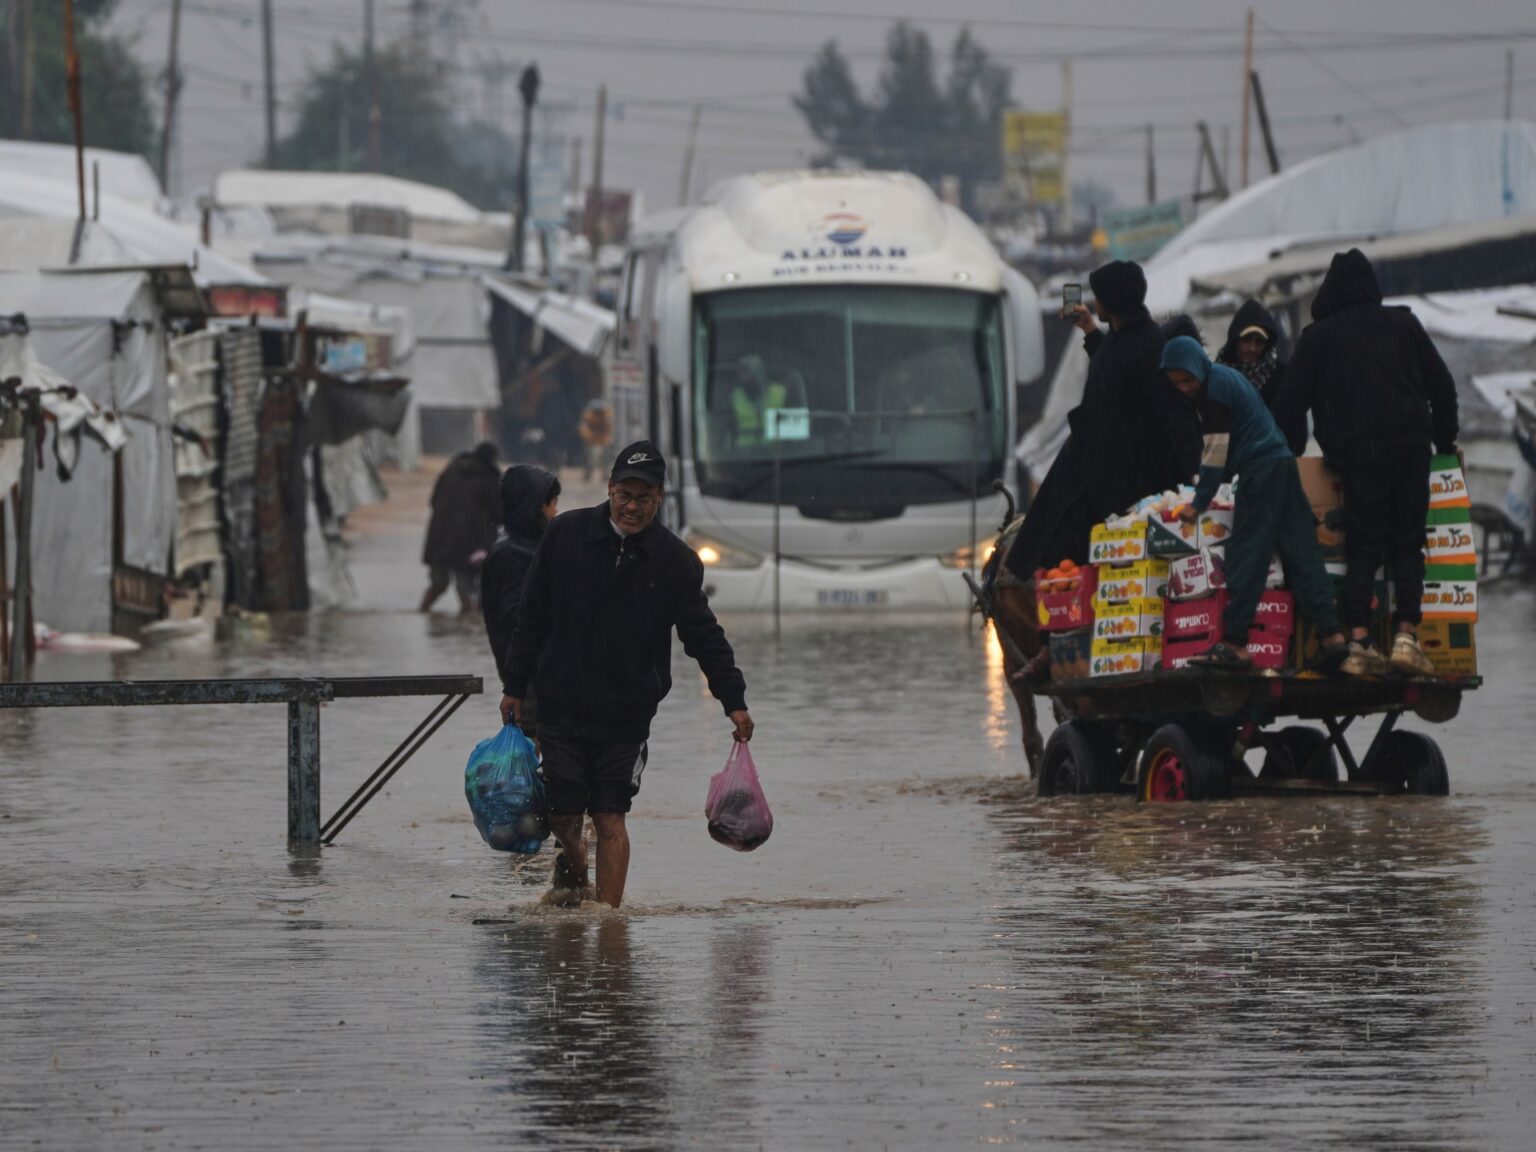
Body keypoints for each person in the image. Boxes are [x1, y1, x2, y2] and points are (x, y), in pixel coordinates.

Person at [501, 440, 753, 909]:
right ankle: (575, 865)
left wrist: (733, 700)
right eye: (625, 495)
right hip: (561, 706)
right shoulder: (565, 535)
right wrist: (514, 688)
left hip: (626, 716)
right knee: (563, 814)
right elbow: (530, 618)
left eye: (644, 498)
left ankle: (608, 923)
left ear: (659, 499)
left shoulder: (675, 561)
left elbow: (704, 636)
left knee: (610, 816)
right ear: (609, 489)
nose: (632, 507)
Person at [1003, 260, 1201, 677]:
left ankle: (1059, 647)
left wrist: (1194, 479)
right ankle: (1054, 642)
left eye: (1099, 297)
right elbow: (1114, 366)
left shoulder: (1150, 345)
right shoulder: (1122, 338)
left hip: (1123, 480)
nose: (1094, 303)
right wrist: (1090, 331)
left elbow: (1175, 416)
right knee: (1049, 545)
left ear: (1115, 299)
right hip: (1091, 466)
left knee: (1067, 545)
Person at [1276, 248, 1459, 676]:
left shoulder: (1318, 338)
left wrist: (1295, 450)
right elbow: (1442, 386)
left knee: (1364, 544)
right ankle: (1406, 638)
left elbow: (1289, 405)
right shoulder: (1404, 323)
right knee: (1408, 542)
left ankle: (1359, 640)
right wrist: (1444, 440)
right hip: (1412, 446)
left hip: (1359, 453)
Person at [1160, 336, 1349, 672]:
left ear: (1198, 367)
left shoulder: (1215, 389)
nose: (1185, 388)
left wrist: (1199, 502)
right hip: (1281, 462)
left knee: (1247, 552)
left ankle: (1235, 642)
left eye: (1187, 380)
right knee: (1302, 550)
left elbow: (1214, 453)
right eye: (1177, 383)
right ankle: (1332, 635)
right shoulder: (1224, 377)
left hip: (1260, 469)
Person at [481, 464, 561, 739]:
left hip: (545, 679)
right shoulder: (510, 555)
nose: (556, 512)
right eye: (552, 504)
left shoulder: (535, 547)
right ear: (535, 507)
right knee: (539, 750)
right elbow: (518, 622)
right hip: (530, 682)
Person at [420, 441, 502, 614]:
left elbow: (433, 500)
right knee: (466, 587)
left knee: (438, 584)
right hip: (469, 542)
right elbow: (499, 514)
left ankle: (422, 612)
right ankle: (469, 624)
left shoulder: (451, 470)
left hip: (439, 537)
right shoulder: (490, 478)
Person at [1216, 299, 1287, 413]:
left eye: (1259, 341)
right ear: (1235, 341)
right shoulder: (1219, 377)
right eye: (1246, 339)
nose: (1252, 348)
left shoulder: (1281, 377)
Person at [730, 355, 787, 446]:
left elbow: (795, 427)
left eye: (747, 374)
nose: (743, 379)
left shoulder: (780, 393)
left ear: (758, 374)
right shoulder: (736, 396)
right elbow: (729, 429)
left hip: (775, 451)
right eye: (740, 374)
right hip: (744, 451)